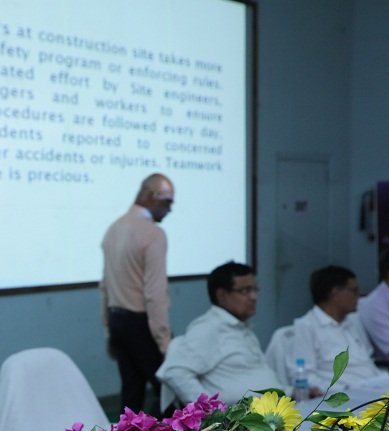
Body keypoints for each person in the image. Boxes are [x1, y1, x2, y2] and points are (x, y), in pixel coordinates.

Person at [156, 261, 282, 410]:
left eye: (255, 289)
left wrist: (290, 390)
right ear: (222, 295)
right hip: (241, 424)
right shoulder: (208, 328)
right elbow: (175, 372)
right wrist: (213, 412)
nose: (254, 297)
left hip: (273, 413)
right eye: (245, 291)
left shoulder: (242, 328)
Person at [100, 173, 176, 412]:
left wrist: (109, 329)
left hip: (118, 320)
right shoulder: (153, 234)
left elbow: (105, 285)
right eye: (167, 202)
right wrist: (164, 342)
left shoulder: (113, 229)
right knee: (169, 393)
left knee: (131, 394)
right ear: (151, 197)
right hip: (142, 324)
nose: (170, 210)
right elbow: (155, 293)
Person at [292, 265, 389, 394]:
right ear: (335, 294)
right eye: (354, 290)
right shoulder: (306, 326)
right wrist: (339, 391)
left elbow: (367, 363)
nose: (359, 295)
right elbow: (305, 377)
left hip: (374, 387)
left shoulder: (353, 322)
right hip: (344, 396)